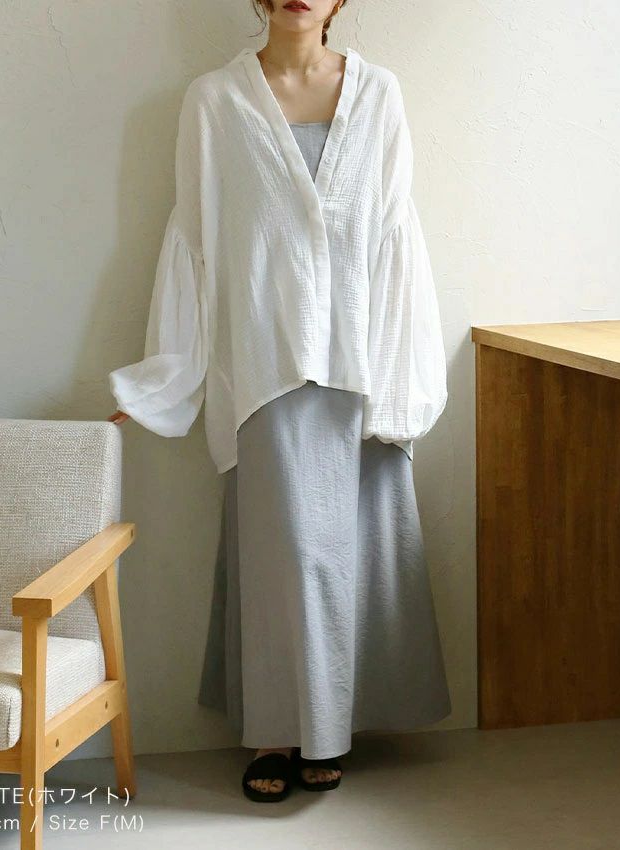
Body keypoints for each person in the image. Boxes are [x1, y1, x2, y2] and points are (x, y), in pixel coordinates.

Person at [108, 0, 451, 803]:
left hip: (359, 363)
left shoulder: (380, 95)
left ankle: (338, 729)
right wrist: (167, 375)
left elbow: (395, 236)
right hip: (262, 364)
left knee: (361, 548)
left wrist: (400, 377)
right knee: (278, 555)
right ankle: (274, 734)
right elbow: (195, 241)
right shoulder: (214, 101)